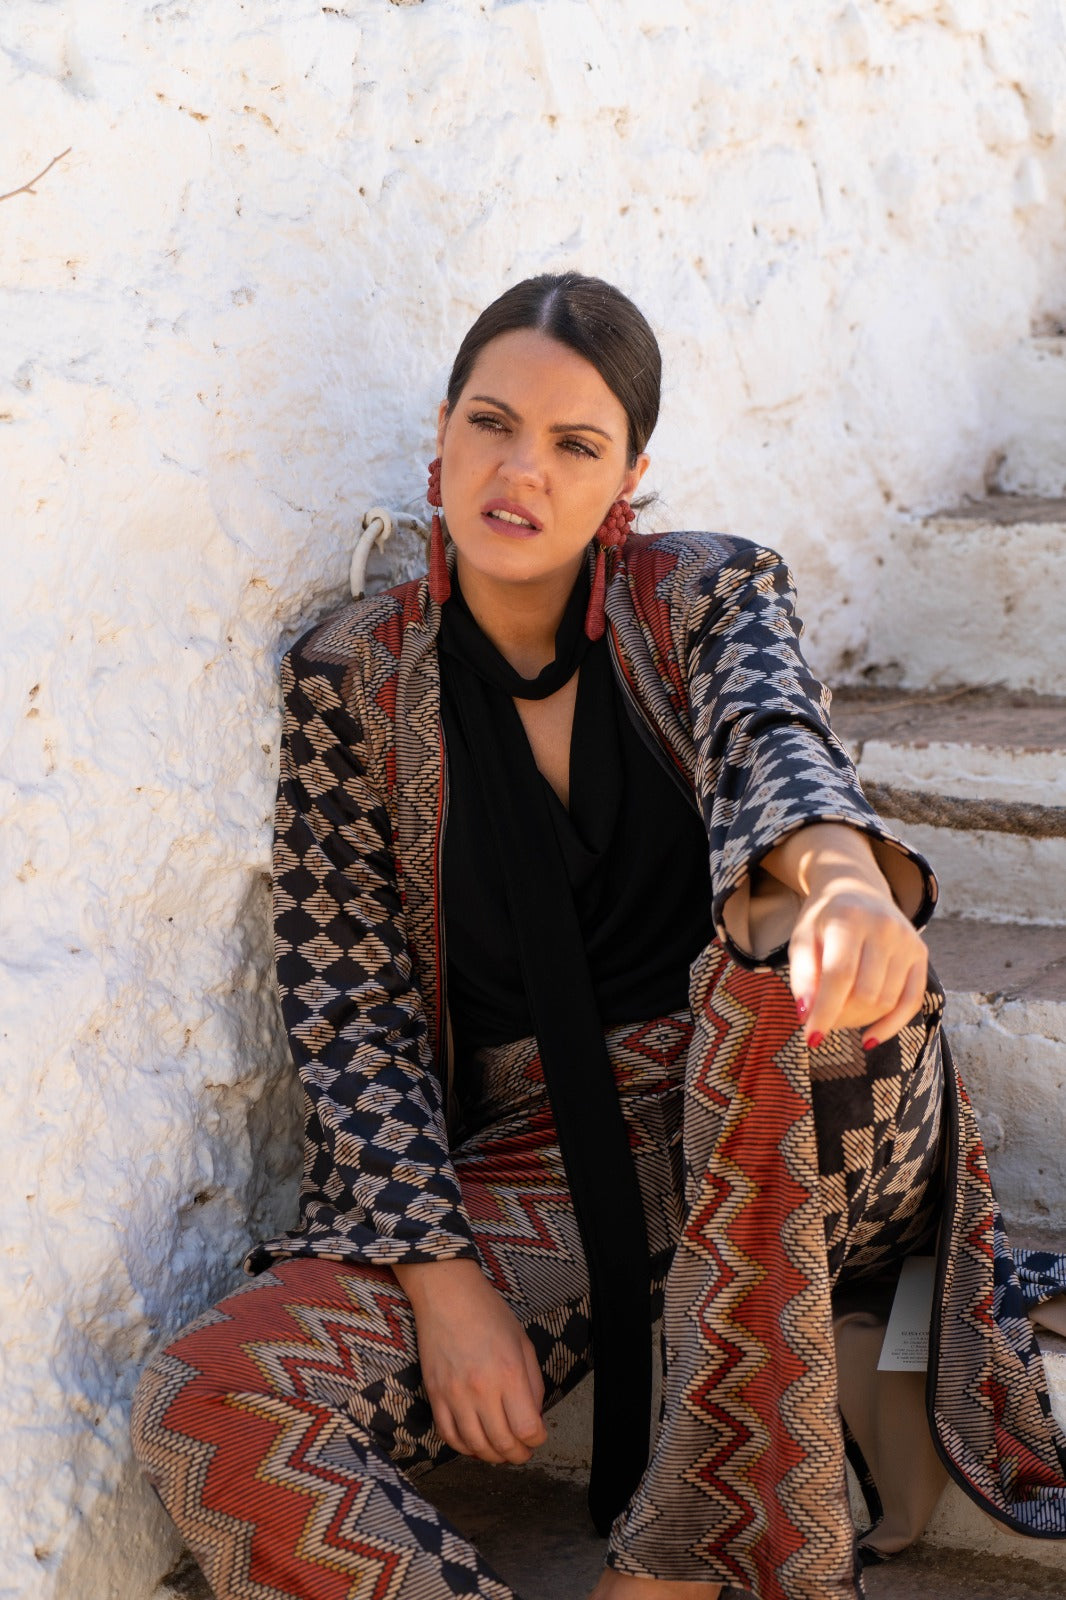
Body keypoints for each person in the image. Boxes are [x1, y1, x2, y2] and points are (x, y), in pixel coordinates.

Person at [131, 274, 1066, 1600]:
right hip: (553, 1166)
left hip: (818, 1107)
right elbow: (349, 1006)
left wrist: (846, 881)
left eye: (574, 445)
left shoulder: (704, 590)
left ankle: (681, 1556)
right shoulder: (353, 676)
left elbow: (773, 739)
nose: (521, 471)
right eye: (492, 423)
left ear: (628, 478)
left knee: (773, 973)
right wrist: (443, 1279)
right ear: (441, 435)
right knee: (211, 1392)